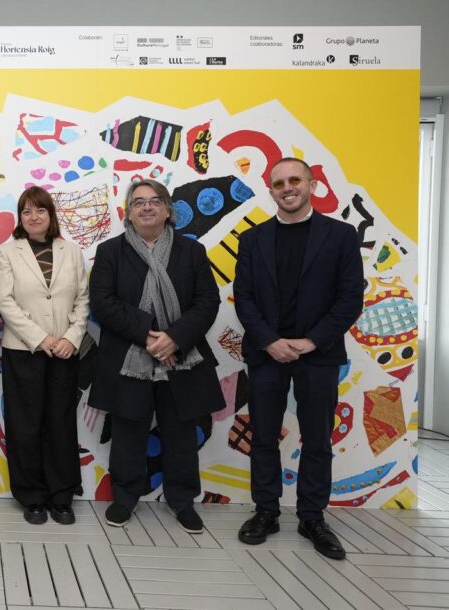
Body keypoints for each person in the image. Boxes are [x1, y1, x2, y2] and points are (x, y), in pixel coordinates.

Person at [234, 157, 364, 560]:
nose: (287, 187)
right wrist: (271, 342)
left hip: (318, 355)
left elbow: (350, 299)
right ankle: (266, 512)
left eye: (294, 180)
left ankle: (312, 517)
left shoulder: (341, 236)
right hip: (266, 354)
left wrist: (310, 342)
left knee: (317, 441)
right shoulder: (252, 239)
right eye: (278, 182)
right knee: (264, 439)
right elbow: (246, 298)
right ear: (270, 189)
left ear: (311, 184)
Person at [89, 179, 222, 534]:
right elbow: (103, 302)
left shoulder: (191, 252)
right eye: (138, 203)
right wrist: (148, 335)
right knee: (128, 431)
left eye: (154, 201)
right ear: (128, 214)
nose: (147, 207)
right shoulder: (110, 251)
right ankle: (124, 498)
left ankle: (182, 501)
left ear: (168, 210)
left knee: (181, 434)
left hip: (182, 356)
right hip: (129, 356)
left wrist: (174, 338)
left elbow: (208, 302)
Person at [0, 186, 89, 525]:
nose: (33, 217)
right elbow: (6, 303)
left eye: (40, 210)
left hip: (65, 350)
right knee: (25, 424)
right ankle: (31, 496)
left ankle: (61, 496)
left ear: (51, 214)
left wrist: (71, 337)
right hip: (24, 350)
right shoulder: (7, 253)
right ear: (20, 218)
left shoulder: (73, 251)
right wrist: (42, 338)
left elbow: (82, 301)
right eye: (26, 211)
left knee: (60, 424)